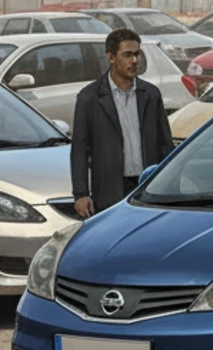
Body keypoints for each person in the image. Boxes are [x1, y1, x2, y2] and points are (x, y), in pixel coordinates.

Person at [71, 28, 172, 218]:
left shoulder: (150, 94)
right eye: (127, 55)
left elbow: (165, 143)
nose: (134, 61)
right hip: (110, 191)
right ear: (111, 57)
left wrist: (168, 185)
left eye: (137, 54)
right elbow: (79, 150)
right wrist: (81, 194)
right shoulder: (89, 98)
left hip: (147, 187)